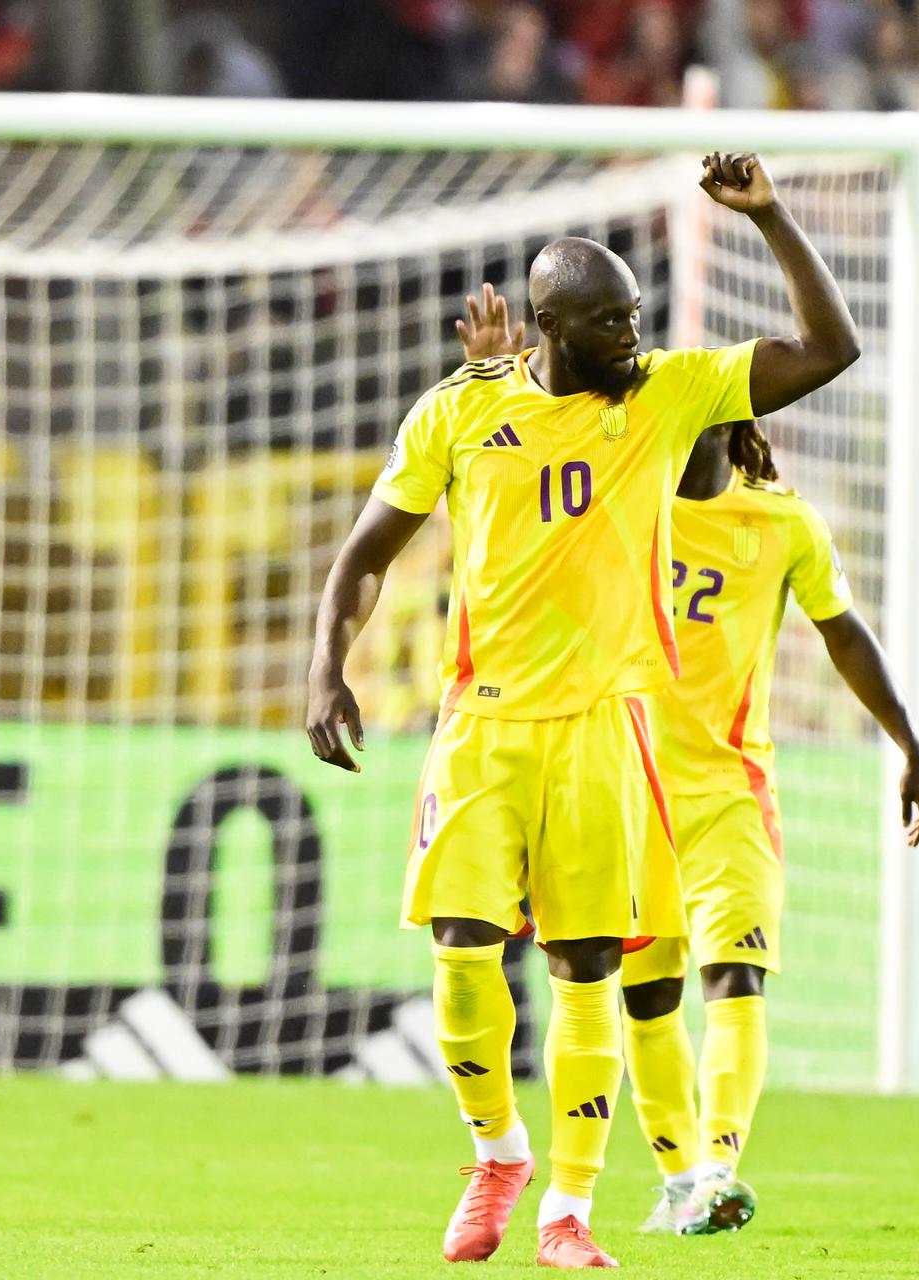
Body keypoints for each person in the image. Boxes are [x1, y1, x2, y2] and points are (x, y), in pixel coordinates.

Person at [306, 152, 861, 1269]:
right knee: (462, 950)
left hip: (608, 730)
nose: (637, 338)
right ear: (553, 329)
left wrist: (770, 218)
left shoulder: (665, 395)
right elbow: (367, 553)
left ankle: (567, 1208)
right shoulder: (459, 414)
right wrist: (327, 665)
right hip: (482, 727)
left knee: (586, 967)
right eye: (615, 325)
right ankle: (497, 1149)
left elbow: (829, 348)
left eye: (641, 318)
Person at [449, 293, 919, 1240]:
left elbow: (845, 637)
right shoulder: (614, 494)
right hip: (621, 778)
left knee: (737, 979)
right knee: (647, 996)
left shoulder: (781, 523)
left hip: (726, 793)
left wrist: (907, 739)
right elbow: (508, 493)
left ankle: (716, 1162)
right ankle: (681, 1179)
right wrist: (495, 378)